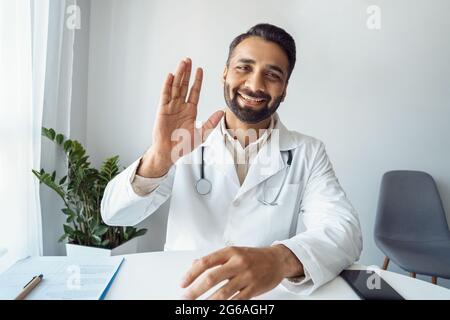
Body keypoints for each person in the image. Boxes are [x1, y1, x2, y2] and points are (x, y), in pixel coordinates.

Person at [101, 23, 362, 299]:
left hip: (260, 299)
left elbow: (344, 231)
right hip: (186, 293)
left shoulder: (307, 152)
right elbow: (116, 215)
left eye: (272, 75)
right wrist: (158, 157)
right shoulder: (184, 140)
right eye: (244, 68)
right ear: (224, 73)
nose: (254, 85)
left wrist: (278, 259)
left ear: (284, 89)